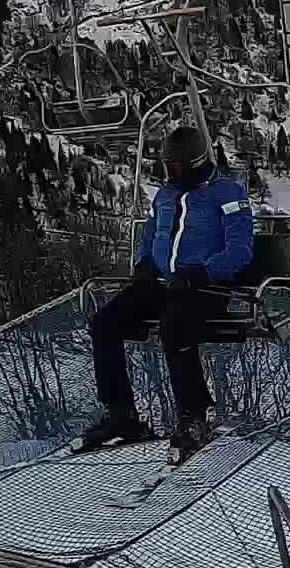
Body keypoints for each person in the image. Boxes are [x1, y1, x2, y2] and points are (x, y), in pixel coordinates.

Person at [79, 125, 254, 461]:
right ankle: (121, 414)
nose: (171, 172)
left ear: (196, 162)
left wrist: (203, 270)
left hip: (208, 285)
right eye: (167, 166)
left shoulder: (227, 194)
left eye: (177, 166)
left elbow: (240, 250)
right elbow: (151, 238)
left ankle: (194, 418)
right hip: (165, 283)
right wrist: (144, 265)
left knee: (175, 327)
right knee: (105, 323)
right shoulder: (165, 195)